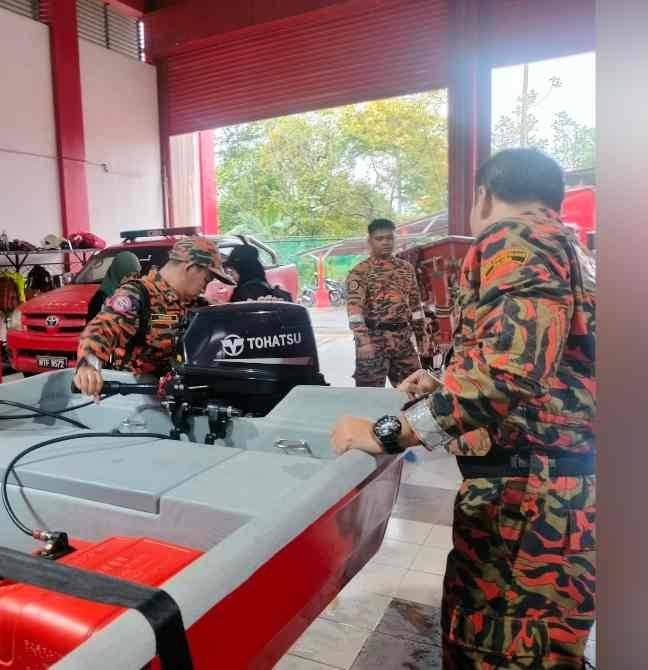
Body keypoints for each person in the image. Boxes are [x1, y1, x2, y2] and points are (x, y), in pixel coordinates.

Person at [330, 148, 596, 668]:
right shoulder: (573, 249)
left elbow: (509, 373)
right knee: (543, 642)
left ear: (484, 196)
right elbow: (548, 362)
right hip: (558, 487)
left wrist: (390, 431)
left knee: (499, 648)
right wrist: (443, 379)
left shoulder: (514, 239)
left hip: (525, 499)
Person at [73, 237, 235, 398]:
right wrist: (88, 365)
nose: (205, 287)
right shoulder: (138, 295)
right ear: (191, 267)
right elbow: (102, 328)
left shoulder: (196, 304)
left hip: (182, 399)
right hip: (139, 399)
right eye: (206, 279)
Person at [345, 218, 430, 387]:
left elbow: (415, 306)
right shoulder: (360, 272)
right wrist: (364, 343)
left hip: (403, 341)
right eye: (379, 238)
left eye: (389, 238)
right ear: (370, 241)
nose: (385, 242)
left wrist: (422, 336)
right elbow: (355, 313)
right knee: (369, 397)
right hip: (373, 341)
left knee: (415, 393)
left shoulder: (406, 268)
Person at [86, 251, 142, 322]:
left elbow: (156, 320)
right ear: (117, 273)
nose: (132, 279)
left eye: (135, 276)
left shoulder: (140, 295)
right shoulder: (101, 298)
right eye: (127, 275)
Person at [225, 244, 292, 302]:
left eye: (232, 270)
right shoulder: (266, 287)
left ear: (241, 269)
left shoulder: (244, 292)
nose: (231, 275)